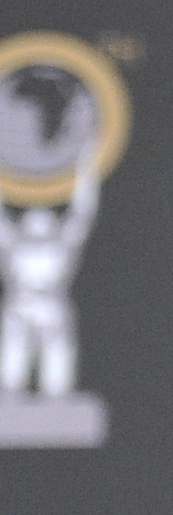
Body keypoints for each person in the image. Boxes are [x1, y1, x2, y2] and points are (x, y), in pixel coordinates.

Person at [1, 149, 99, 398]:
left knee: (58, 355)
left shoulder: (62, 243)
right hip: (21, 303)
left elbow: (82, 213)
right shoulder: (15, 243)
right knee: (14, 352)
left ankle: (57, 399)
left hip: (51, 304)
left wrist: (86, 174)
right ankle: (11, 397)